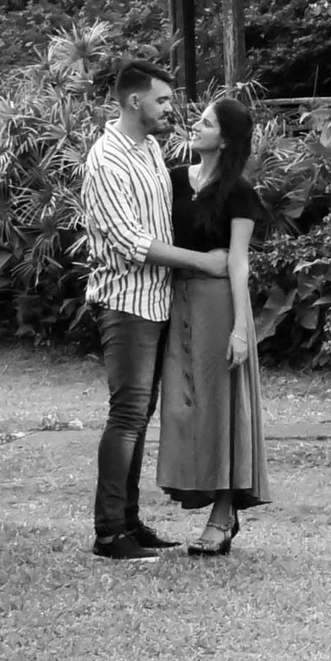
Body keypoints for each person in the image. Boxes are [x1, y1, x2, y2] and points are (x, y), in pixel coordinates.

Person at [81, 61, 228, 563]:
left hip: (156, 302)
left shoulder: (148, 150)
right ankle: (108, 534)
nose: (170, 109)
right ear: (133, 102)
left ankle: (128, 522)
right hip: (125, 303)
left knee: (139, 418)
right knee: (126, 416)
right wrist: (203, 262)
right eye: (162, 100)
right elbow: (130, 242)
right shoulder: (107, 161)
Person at [156, 96, 272, 555]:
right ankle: (195, 488)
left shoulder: (239, 192)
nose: (195, 126)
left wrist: (243, 328)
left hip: (219, 306)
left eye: (206, 123)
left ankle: (223, 514)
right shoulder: (171, 180)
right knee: (183, 407)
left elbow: (239, 263)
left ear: (224, 138)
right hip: (175, 301)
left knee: (221, 406)